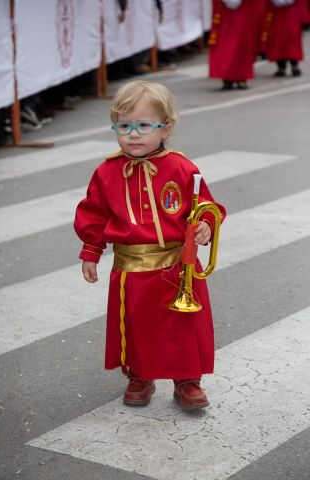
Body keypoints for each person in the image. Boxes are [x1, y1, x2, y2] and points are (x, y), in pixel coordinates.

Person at [74, 80, 226, 410]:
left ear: (166, 129)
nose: (133, 134)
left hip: (177, 265)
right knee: (136, 326)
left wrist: (204, 227)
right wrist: (91, 252)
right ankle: (139, 377)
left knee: (183, 328)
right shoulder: (107, 172)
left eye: (144, 125)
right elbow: (93, 215)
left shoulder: (183, 167)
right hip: (131, 270)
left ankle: (188, 380)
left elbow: (209, 208)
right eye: (124, 126)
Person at [209, 0, 259, 90]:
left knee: (242, 43)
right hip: (224, 12)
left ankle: (242, 77)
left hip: (243, 9)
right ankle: (227, 77)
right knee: (225, 44)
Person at [262, 0, 304, 77]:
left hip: (291, 11)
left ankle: (294, 65)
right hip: (276, 12)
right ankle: (281, 66)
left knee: (291, 37)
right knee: (276, 38)